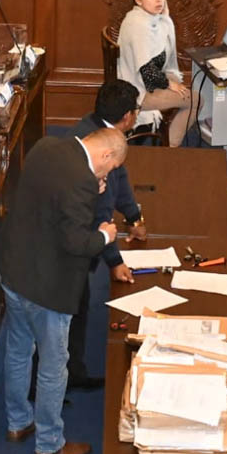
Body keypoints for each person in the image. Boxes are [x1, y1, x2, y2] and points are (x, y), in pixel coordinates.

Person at [0, 128, 126, 454]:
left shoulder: (45, 146)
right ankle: (50, 445)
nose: (105, 177)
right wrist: (105, 236)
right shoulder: (82, 181)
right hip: (47, 288)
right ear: (106, 156)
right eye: (108, 170)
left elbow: (53, 200)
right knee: (54, 366)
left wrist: (89, 191)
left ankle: (17, 421)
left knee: (18, 350)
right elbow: (77, 243)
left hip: (13, 271)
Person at [64, 80, 143, 390]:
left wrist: (134, 215)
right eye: (135, 110)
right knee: (74, 307)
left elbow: (120, 179)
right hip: (76, 242)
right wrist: (114, 261)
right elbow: (100, 212)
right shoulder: (99, 146)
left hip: (83, 235)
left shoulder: (102, 131)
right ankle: (71, 373)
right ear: (127, 117)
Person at [116, 0, 196, 146]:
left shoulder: (151, 20)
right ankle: (169, 148)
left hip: (146, 81)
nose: (159, 0)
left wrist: (172, 80)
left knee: (183, 89)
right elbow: (149, 74)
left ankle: (166, 137)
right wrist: (170, 84)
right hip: (139, 91)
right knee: (196, 100)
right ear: (138, 0)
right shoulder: (139, 25)